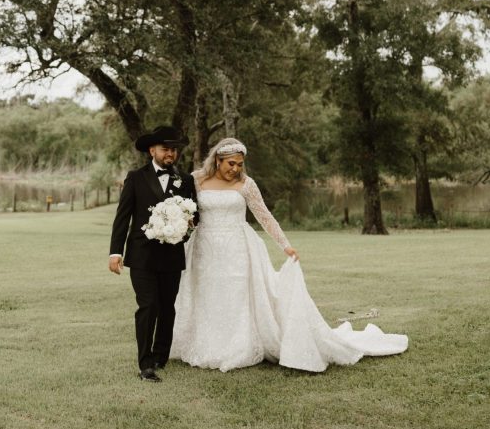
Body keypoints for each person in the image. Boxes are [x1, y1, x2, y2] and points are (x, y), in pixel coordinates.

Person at [170, 138, 408, 373]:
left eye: (240, 164)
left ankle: (235, 347)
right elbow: (186, 212)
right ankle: (207, 343)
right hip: (204, 248)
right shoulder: (197, 180)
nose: (235, 169)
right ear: (217, 160)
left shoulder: (246, 184)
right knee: (207, 294)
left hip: (237, 249)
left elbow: (265, 216)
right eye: (231, 163)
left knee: (236, 295)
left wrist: (285, 245)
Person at [108, 125, 198, 382]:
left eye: (174, 150)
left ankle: (161, 355)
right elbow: (122, 217)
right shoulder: (136, 177)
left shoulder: (186, 180)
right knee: (148, 306)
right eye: (165, 149)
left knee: (167, 308)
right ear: (152, 150)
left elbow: (195, 215)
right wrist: (115, 252)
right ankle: (145, 363)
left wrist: (186, 226)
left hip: (172, 255)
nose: (171, 154)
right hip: (142, 255)